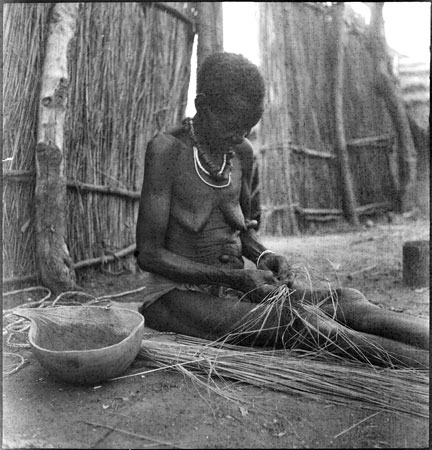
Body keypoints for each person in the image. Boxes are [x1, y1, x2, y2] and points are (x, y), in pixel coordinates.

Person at [135, 52, 428, 368]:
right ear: (202, 105)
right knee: (303, 325)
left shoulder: (242, 154)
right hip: (175, 298)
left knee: (349, 301)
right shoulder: (166, 151)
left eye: (249, 127)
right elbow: (149, 255)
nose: (242, 136)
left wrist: (266, 257)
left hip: (234, 290)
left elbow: (243, 233)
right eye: (233, 126)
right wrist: (234, 279)